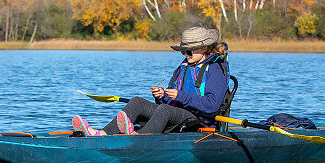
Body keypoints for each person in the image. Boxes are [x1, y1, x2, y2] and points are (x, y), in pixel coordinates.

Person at [72, 27, 230, 136]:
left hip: (199, 120)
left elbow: (211, 105)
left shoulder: (215, 69)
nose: (185, 55)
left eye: (189, 51)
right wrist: (162, 96)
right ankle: (101, 134)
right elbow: (172, 98)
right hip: (178, 113)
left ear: (203, 48)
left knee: (164, 110)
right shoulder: (184, 66)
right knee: (137, 102)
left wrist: (180, 96)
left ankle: (140, 138)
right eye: (183, 51)